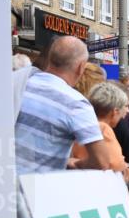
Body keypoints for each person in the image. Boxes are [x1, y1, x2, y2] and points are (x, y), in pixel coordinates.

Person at [15, 35, 110, 174]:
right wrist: (77, 164)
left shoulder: (21, 84)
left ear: (50, 58)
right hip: (37, 189)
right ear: (81, 67)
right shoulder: (76, 104)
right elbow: (102, 161)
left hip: (0, 183)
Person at [71, 82, 129, 193]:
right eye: (125, 107)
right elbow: (116, 164)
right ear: (114, 112)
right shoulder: (104, 129)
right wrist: (127, 168)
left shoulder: (82, 125)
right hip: (100, 189)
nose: (127, 111)